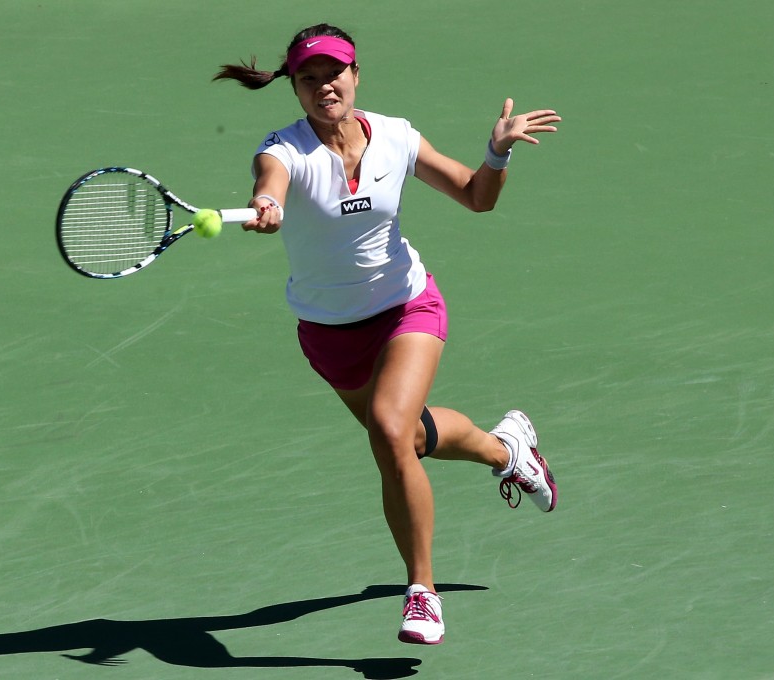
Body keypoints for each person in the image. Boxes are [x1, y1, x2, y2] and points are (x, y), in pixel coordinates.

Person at [214, 23, 561, 646]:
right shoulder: (282, 151)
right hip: (328, 330)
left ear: (355, 75)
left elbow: (477, 198)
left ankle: (421, 593)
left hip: (407, 306)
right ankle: (508, 451)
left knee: (390, 429)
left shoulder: (396, 136)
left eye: (334, 73)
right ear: (293, 88)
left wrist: (497, 152)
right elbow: (270, 184)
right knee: (412, 437)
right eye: (309, 78)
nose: (325, 87)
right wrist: (267, 205)